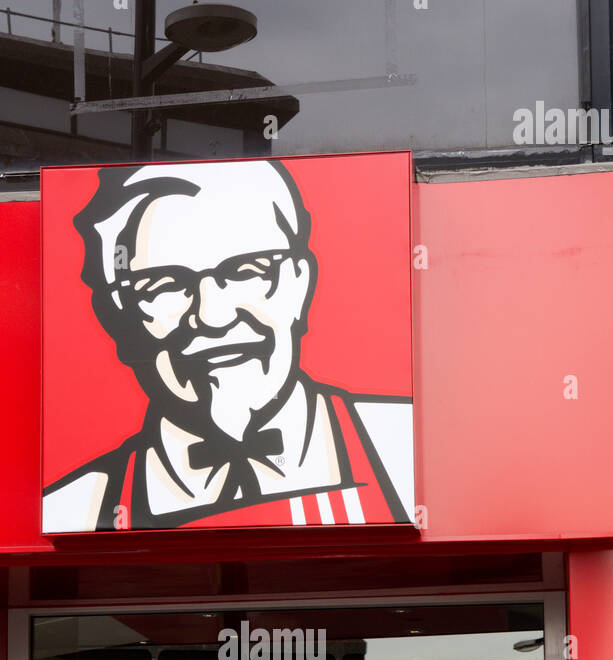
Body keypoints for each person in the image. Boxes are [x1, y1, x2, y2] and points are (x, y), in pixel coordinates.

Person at [44, 159, 414, 533]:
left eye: (246, 271)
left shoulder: (401, 447)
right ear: (117, 318)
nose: (212, 316)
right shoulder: (76, 509)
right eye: (164, 285)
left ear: (300, 285)